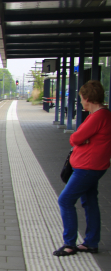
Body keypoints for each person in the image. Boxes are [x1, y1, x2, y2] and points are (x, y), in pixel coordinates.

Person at [54, 80, 111, 256]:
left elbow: (75, 138)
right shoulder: (103, 115)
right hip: (93, 167)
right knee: (89, 202)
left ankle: (69, 243)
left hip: (87, 168)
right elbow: (81, 138)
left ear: (88, 98)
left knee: (65, 200)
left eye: (81, 99)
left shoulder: (98, 116)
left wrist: (82, 139)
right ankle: (91, 242)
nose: (81, 102)